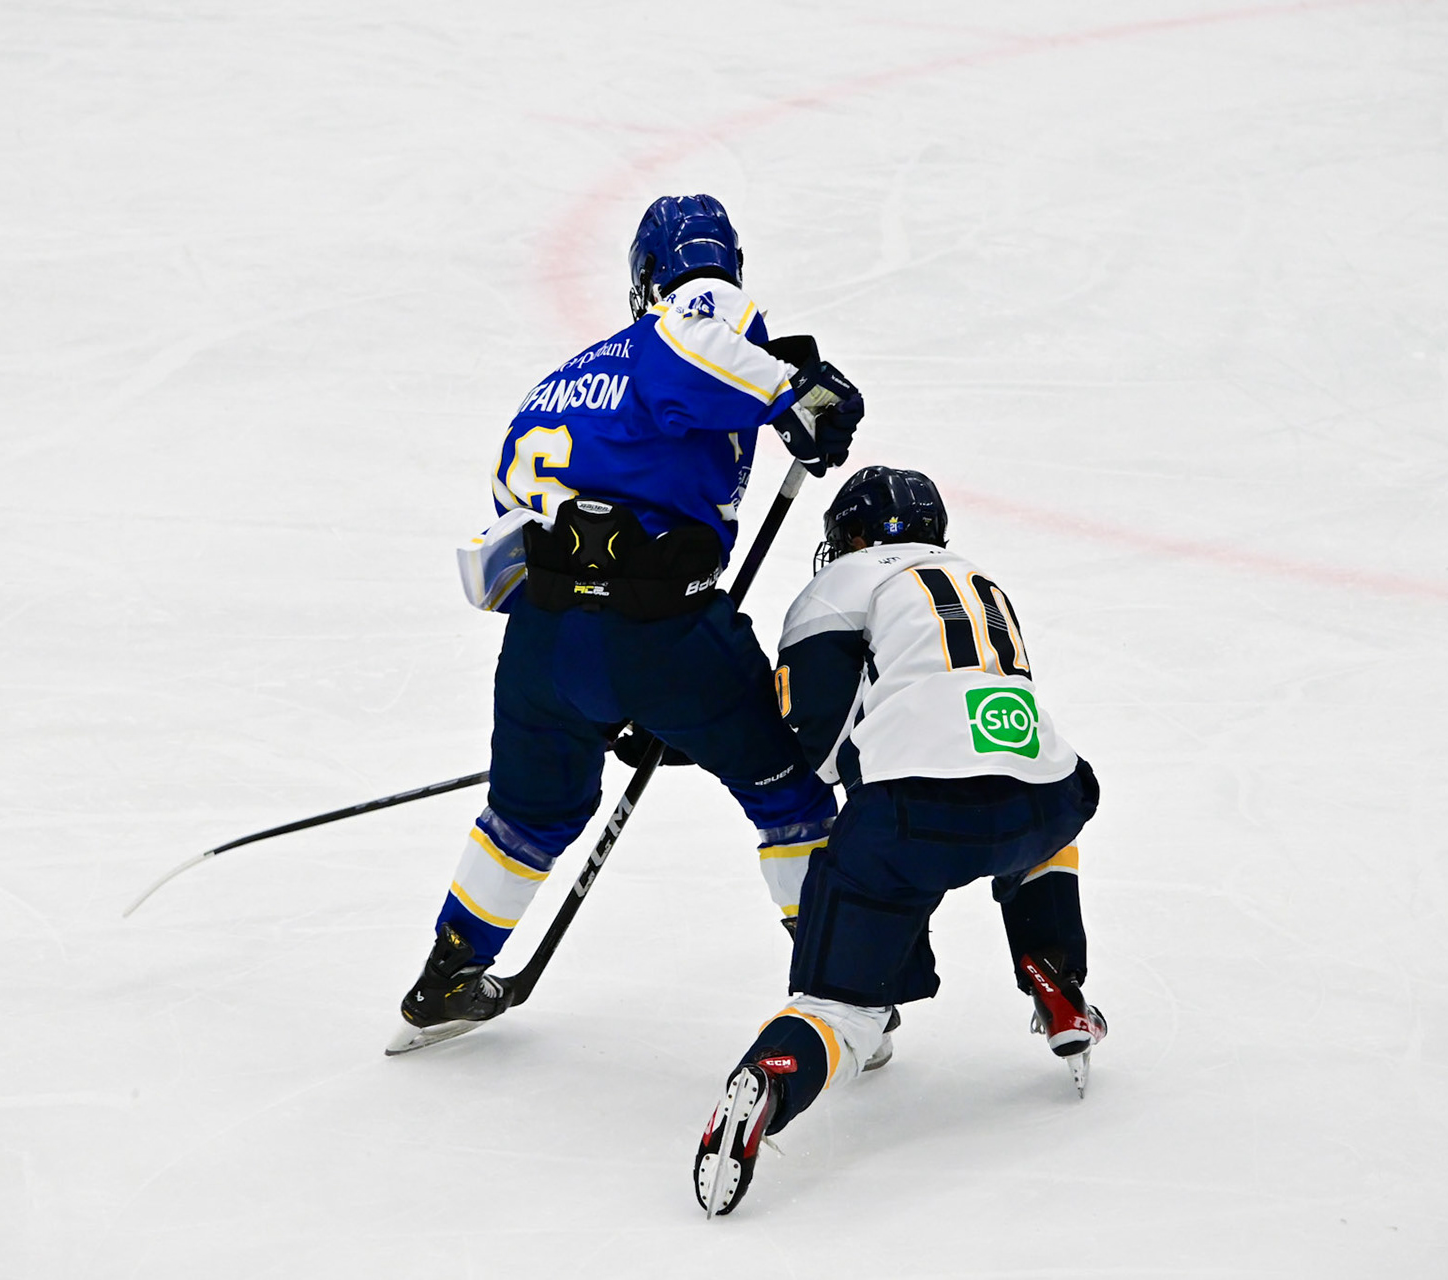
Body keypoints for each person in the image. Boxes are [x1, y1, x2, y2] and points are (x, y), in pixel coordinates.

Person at [391, 195, 867, 1049]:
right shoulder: (701, 309)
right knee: (786, 794)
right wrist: (791, 394)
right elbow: (693, 343)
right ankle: (843, 987)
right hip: (666, 634)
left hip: (542, 644)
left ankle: (449, 971)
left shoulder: (561, 380)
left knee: (528, 815)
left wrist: (602, 683)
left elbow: (508, 510)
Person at [693, 466, 1105, 1216]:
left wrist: (713, 735)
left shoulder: (836, 587)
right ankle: (1056, 974)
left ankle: (774, 1076)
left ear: (851, 534)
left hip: (914, 820)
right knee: (1046, 816)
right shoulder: (978, 578)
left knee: (841, 1007)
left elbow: (816, 747)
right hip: (1045, 797)